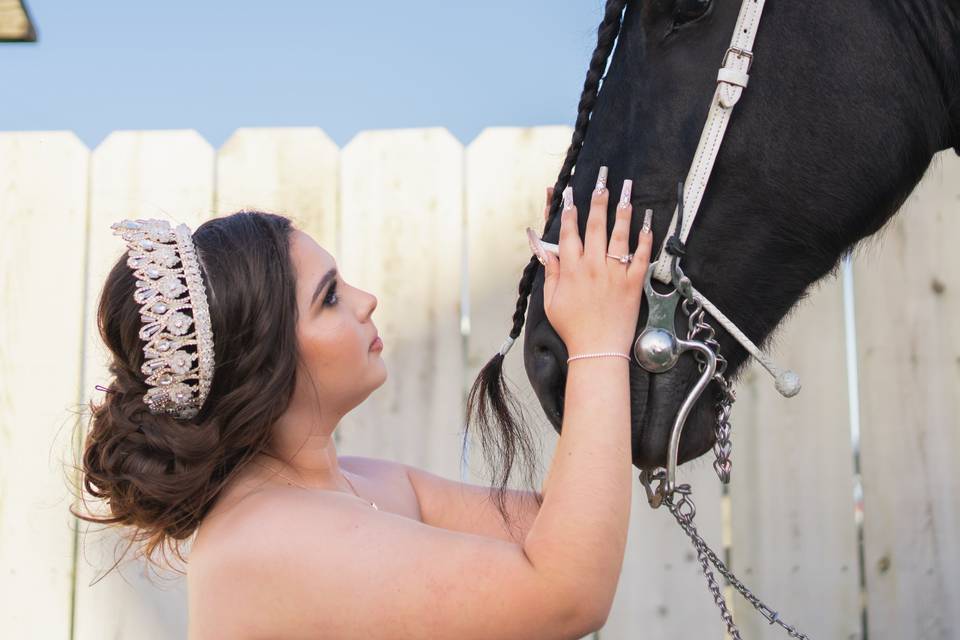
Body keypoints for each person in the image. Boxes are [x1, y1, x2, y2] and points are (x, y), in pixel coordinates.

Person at [72, 164, 652, 639]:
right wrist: (599, 340)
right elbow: (565, 594)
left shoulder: (364, 483)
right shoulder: (267, 538)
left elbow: (563, 529)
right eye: (328, 299)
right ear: (263, 360)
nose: (366, 300)